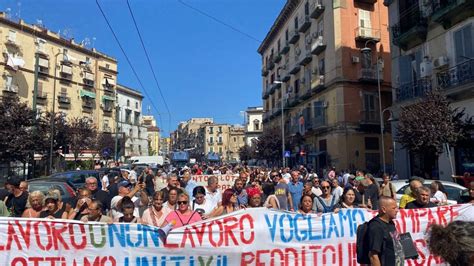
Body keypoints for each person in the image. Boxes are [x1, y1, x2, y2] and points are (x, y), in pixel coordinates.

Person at [367, 196, 400, 266]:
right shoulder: (376, 226)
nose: (397, 210)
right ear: (384, 209)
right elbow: (373, 255)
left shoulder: (391, 223)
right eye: (394, 208)